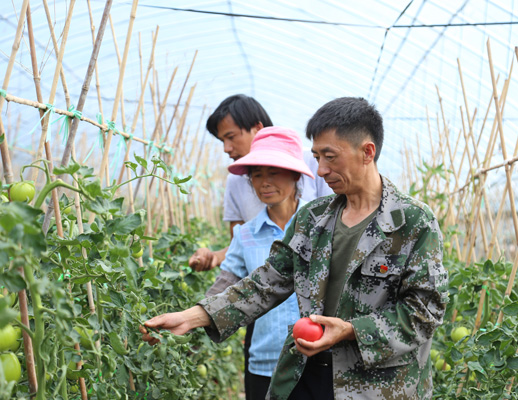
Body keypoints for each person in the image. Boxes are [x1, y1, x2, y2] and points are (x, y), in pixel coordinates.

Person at [141, 97, 449, 399]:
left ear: (367, 152)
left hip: (378, 386)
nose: (321, 169)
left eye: (330, 157)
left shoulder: (412, 223)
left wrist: (350, 330)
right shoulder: (313, 219)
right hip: (307, 375)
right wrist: (192, 317)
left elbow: (424, 312)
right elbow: (266, 283)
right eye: (316, 157)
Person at [205, 126, 313, 400]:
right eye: (257, 174)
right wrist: (188, 321)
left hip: (316, 360)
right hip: (265, 362)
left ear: (295, 174)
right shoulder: (246, 234)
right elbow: (225, 286)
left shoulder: (322, 226)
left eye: (273, 172)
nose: (264, 182)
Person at [189, 94, 331, 271]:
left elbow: (334, 227)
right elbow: (241, 246)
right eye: (222, 141)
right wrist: (214, 256)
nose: (226, 148)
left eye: (231, 137)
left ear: (257, 129)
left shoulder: (311, 161)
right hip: (263, 282)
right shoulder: (235, 179)